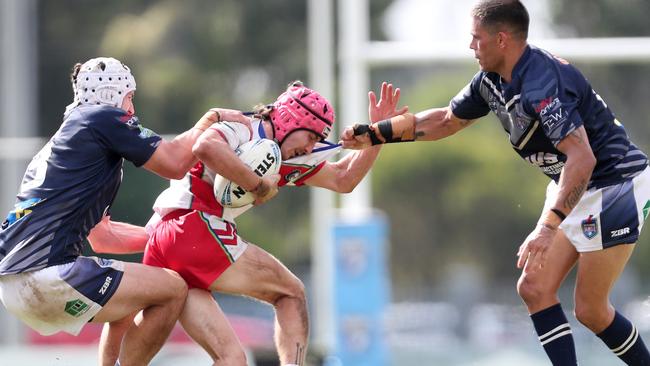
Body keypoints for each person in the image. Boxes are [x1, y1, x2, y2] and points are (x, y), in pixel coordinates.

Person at [340, 1, 650, 365]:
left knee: (591, 310)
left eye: (476, 38)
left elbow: (583, 158)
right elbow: (446, 120)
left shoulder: (542, 84)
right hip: (577, 183)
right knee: (535, 289)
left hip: (615, 186)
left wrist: (547, 227)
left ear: (501, 39)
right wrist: (376, 134)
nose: (471, 46)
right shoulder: (491, 81)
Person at [99, 81, 406, 366]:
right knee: (291, 292)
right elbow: (205, 147)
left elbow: (343, 179)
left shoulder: (288, 156)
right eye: (311, 136)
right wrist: (258, 185)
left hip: (167, 244)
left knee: (231, 358)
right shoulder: (244, 126)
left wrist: (379, 134)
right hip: (192, 230)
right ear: (289, 117)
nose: (311, 148)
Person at [0, 57, 258, 366]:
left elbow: (103, 237)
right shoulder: (100, 119)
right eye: (129, 97)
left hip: (13, 288)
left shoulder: (71, 140)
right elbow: (175, 163)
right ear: (111, 94)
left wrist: (161, 237)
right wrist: (210, 120)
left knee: (134, 294)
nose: (132, 110)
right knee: (173, 289)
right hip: (48, 275)